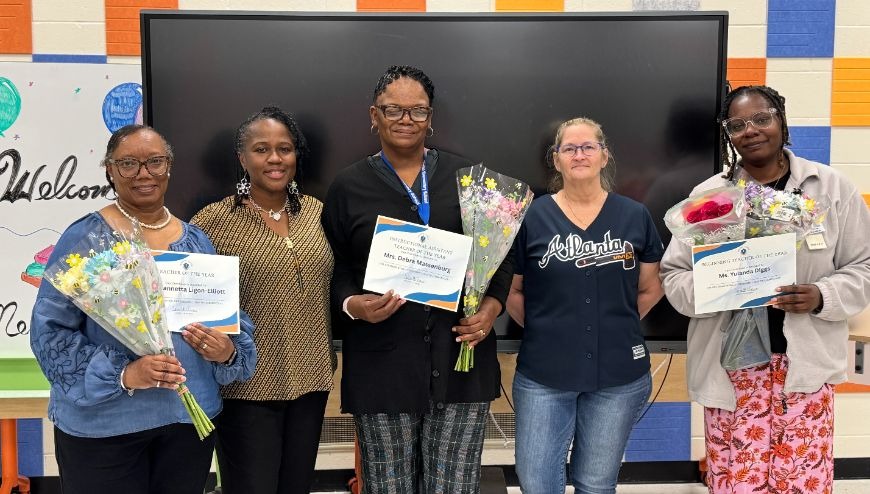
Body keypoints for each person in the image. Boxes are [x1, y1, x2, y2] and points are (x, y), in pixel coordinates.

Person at [660, 85, 870, 493]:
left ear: (781, 120)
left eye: (762, 118)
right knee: (737, 483)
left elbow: (863, 267)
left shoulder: (829, 189)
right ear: (728, 135)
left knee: (801, 482)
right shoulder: (707, 198)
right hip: (732, 372)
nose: (750, 130)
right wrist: (718, 286)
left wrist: (822, 295)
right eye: (737, 125)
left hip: (804, 371)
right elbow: (674, 277)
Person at [30, 125, 257, 494]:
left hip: (188, 422)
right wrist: (125, 374)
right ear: (109, 171)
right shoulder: (87, 239)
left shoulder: (195, 241)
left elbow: (230, 318)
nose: (143, 173)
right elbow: (49, 333)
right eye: (128, 164)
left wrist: (228, 350)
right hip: (105, 429)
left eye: (154, 161)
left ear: (169, 167)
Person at [321, 65, 513, 493]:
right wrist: (354, 306)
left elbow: (501, 257)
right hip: (381, 367)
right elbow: (333, 268)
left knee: (453, 487)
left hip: (460, 362)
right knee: (388, 486)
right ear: (374, 115)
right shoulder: (348, 187)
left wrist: (489, 309)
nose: (406, 120)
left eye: (418, 111)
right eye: (394, 110)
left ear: (432, 117)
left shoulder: (470, 181)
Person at [506, 117, 664, 494]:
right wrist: (550, 329)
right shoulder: (531, 216)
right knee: (538, 484)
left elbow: (651, 288)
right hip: (544, 375)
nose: (580, 154)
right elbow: (511, 292)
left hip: (618, 377)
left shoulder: (634, 215)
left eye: (588, 146)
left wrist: (616, 324)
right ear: (556, 159)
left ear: (604, 156)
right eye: (569, 148)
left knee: (596, 484)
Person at [191, 106, 335, 494]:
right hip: (245, 388)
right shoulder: (213, 221)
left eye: (285, 149)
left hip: (310, 380)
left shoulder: (318, 214)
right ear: (242, 158)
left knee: (297, 486)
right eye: (261, 149)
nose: (275, 158)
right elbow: (192, 301)